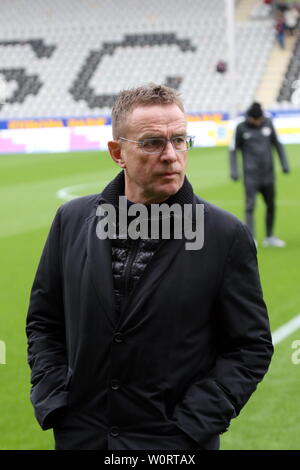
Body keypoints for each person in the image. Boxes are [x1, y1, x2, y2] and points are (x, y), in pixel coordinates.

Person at [26, 84, 273, 451]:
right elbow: (45, 322)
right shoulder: (72, 220)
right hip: (83, 438)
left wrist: (191, 425)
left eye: (180, 140)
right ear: (117, 152)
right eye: (153, 142)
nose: (171, 155)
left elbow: (250, 347)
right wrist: (56, 401)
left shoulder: (224, 235)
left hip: (175, 445)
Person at [230, 102, 290, 247]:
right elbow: (233, 150)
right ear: (249, 118)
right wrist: (234, 170)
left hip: (268, 174)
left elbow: (277, 144)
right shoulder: (241, 127)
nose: (258, 121)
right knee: (250, 207)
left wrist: (284, 163)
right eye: (255, 119)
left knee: (271, 205)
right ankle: (252, 239)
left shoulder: (268, 123)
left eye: (260, 119)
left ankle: (270, 236)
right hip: (251, 175)